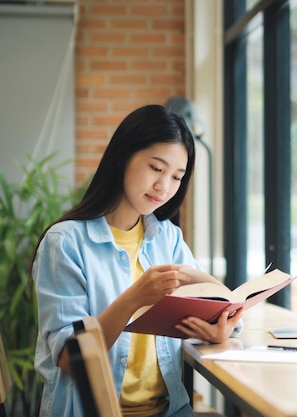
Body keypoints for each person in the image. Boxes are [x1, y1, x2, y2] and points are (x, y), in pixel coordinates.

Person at [32, 104, 244, 417]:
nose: (164, 186)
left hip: (171, 410)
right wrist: (133, 300)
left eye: (176, 176)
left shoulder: (166, 238)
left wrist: (218, 329)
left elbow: (210, 302)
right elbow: (69, 358)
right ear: (122, 158)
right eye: (156, 169)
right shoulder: (65, 243)